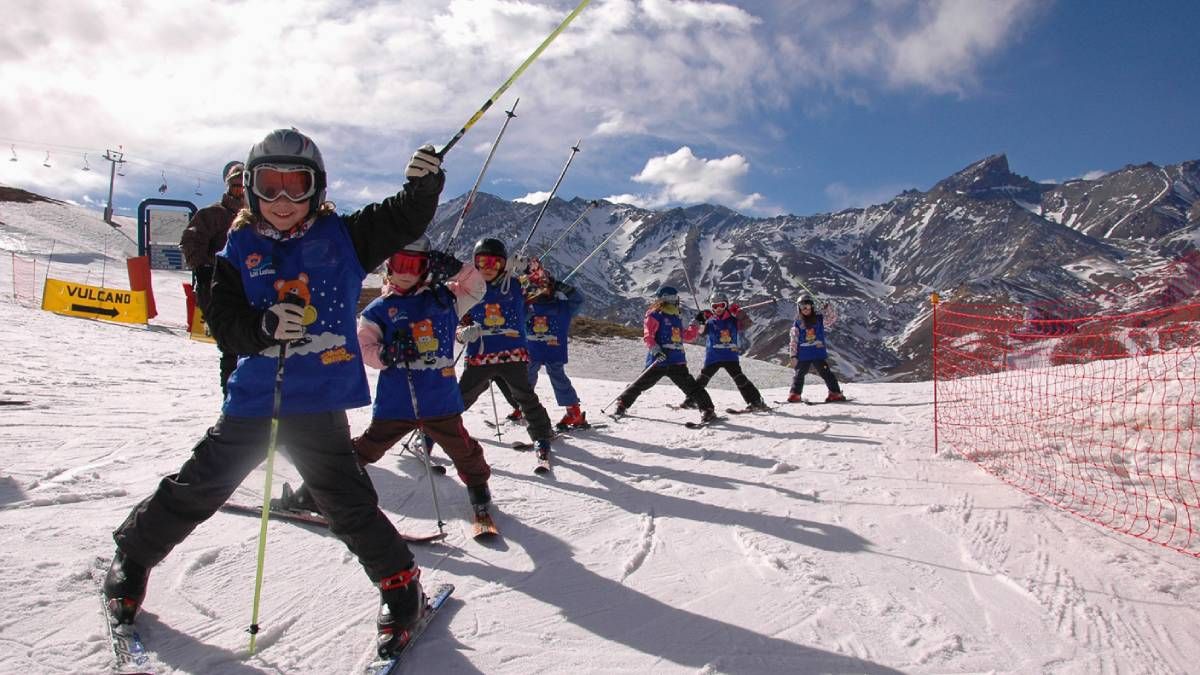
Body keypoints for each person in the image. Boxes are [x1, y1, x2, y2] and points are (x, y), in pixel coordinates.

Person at [103, 128, 444, 657]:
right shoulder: (236, 249)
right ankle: (133, 555)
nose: (283, 200)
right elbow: (225, 325)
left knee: (345, 501)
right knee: (202, 483)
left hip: (319, 398)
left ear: (317, 188)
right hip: (256, 397)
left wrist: (423, 186)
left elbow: (403, 217)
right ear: (251, 189)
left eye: (296, 186)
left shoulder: (346, 237)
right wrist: (262, 328)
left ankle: (401, 585)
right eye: (270, 185)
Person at [279, 236, 495, 519]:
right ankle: (312, 495)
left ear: (427, 267)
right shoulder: (378, 310)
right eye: (400, 263)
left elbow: (478, 287)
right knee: (364, 451)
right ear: (388, 266)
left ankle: (479, 492)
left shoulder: (445, 299)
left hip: (440, 400)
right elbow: (364, 349)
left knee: (463, 450)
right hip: (396, 403)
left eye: (415, 265)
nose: (406, 273)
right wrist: (388, 353)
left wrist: (456, 268)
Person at [455, 238, 555, 461]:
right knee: (460, 398)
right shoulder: (470, 290)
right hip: (480, 356)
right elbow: (459, 322)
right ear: (475, 263)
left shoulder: (516, 286)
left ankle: (542, 435)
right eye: (483, 262)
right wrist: (462, 334)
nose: (489, 267)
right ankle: (433, 436)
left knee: (524, 396)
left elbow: (543, 285)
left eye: (496, 262)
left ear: (504, 264)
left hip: (513, 354)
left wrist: (528, 266)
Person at [179, 160, 245, 397]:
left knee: (249, 345)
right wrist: (205, 268)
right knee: (231, 346)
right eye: (236, 185)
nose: (240, 190)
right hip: (218, 290)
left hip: (246, 289)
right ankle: (232, 399)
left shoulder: (256, 218)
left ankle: (249, 398)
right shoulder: (215, 214)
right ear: (229, 187)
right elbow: (191, 240)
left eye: (245, 185)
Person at [612, 285, 717, 425]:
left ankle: (707, 410)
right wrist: (656, 350)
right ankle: (622, 404)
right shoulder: (654, 315)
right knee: (641, 384)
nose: (676, 301)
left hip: (676, 361)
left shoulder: (675, 316)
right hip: (659, 360)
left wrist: (696, 323)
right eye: (673, 298)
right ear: (666, 299)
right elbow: (648, 336)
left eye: (675, 298)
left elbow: (687, 336)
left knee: (691, 387)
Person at [521, 258, 589, 430]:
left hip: (535, 348)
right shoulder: (562, 306)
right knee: (555, 377)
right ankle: (573, 411)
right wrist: (563, 288)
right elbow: (579, 301)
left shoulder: (531, 307)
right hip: (551, 349)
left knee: (528, 378)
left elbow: (518, 317)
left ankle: (523, 407)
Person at [681, 294, 769, 412]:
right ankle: (690, 400)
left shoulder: (733, 320)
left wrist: (739, 313)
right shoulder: (710, 322)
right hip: (713, 357)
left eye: (721, 305)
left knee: (739, 379)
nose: (718, 309)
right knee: (702, 379)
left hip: (730, 356)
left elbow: (747, 324)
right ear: (711, 307)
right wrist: (701, 319)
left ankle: (756, 401)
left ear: (726, 305)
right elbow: (701, 332)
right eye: (715, 306)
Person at [787, 295, 846, 403]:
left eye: (808, 306)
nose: (805, 309)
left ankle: (834, 393)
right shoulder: (797, 324)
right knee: (799, 374)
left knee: (825, 373)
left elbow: (831, 319)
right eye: (802, 307)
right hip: (806, 354)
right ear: (799, 308)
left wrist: (827, 309)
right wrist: (793, 355)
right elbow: (793, 341)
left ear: (812, 306)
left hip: (816, 354)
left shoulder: (819, 319)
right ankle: (795, 394)